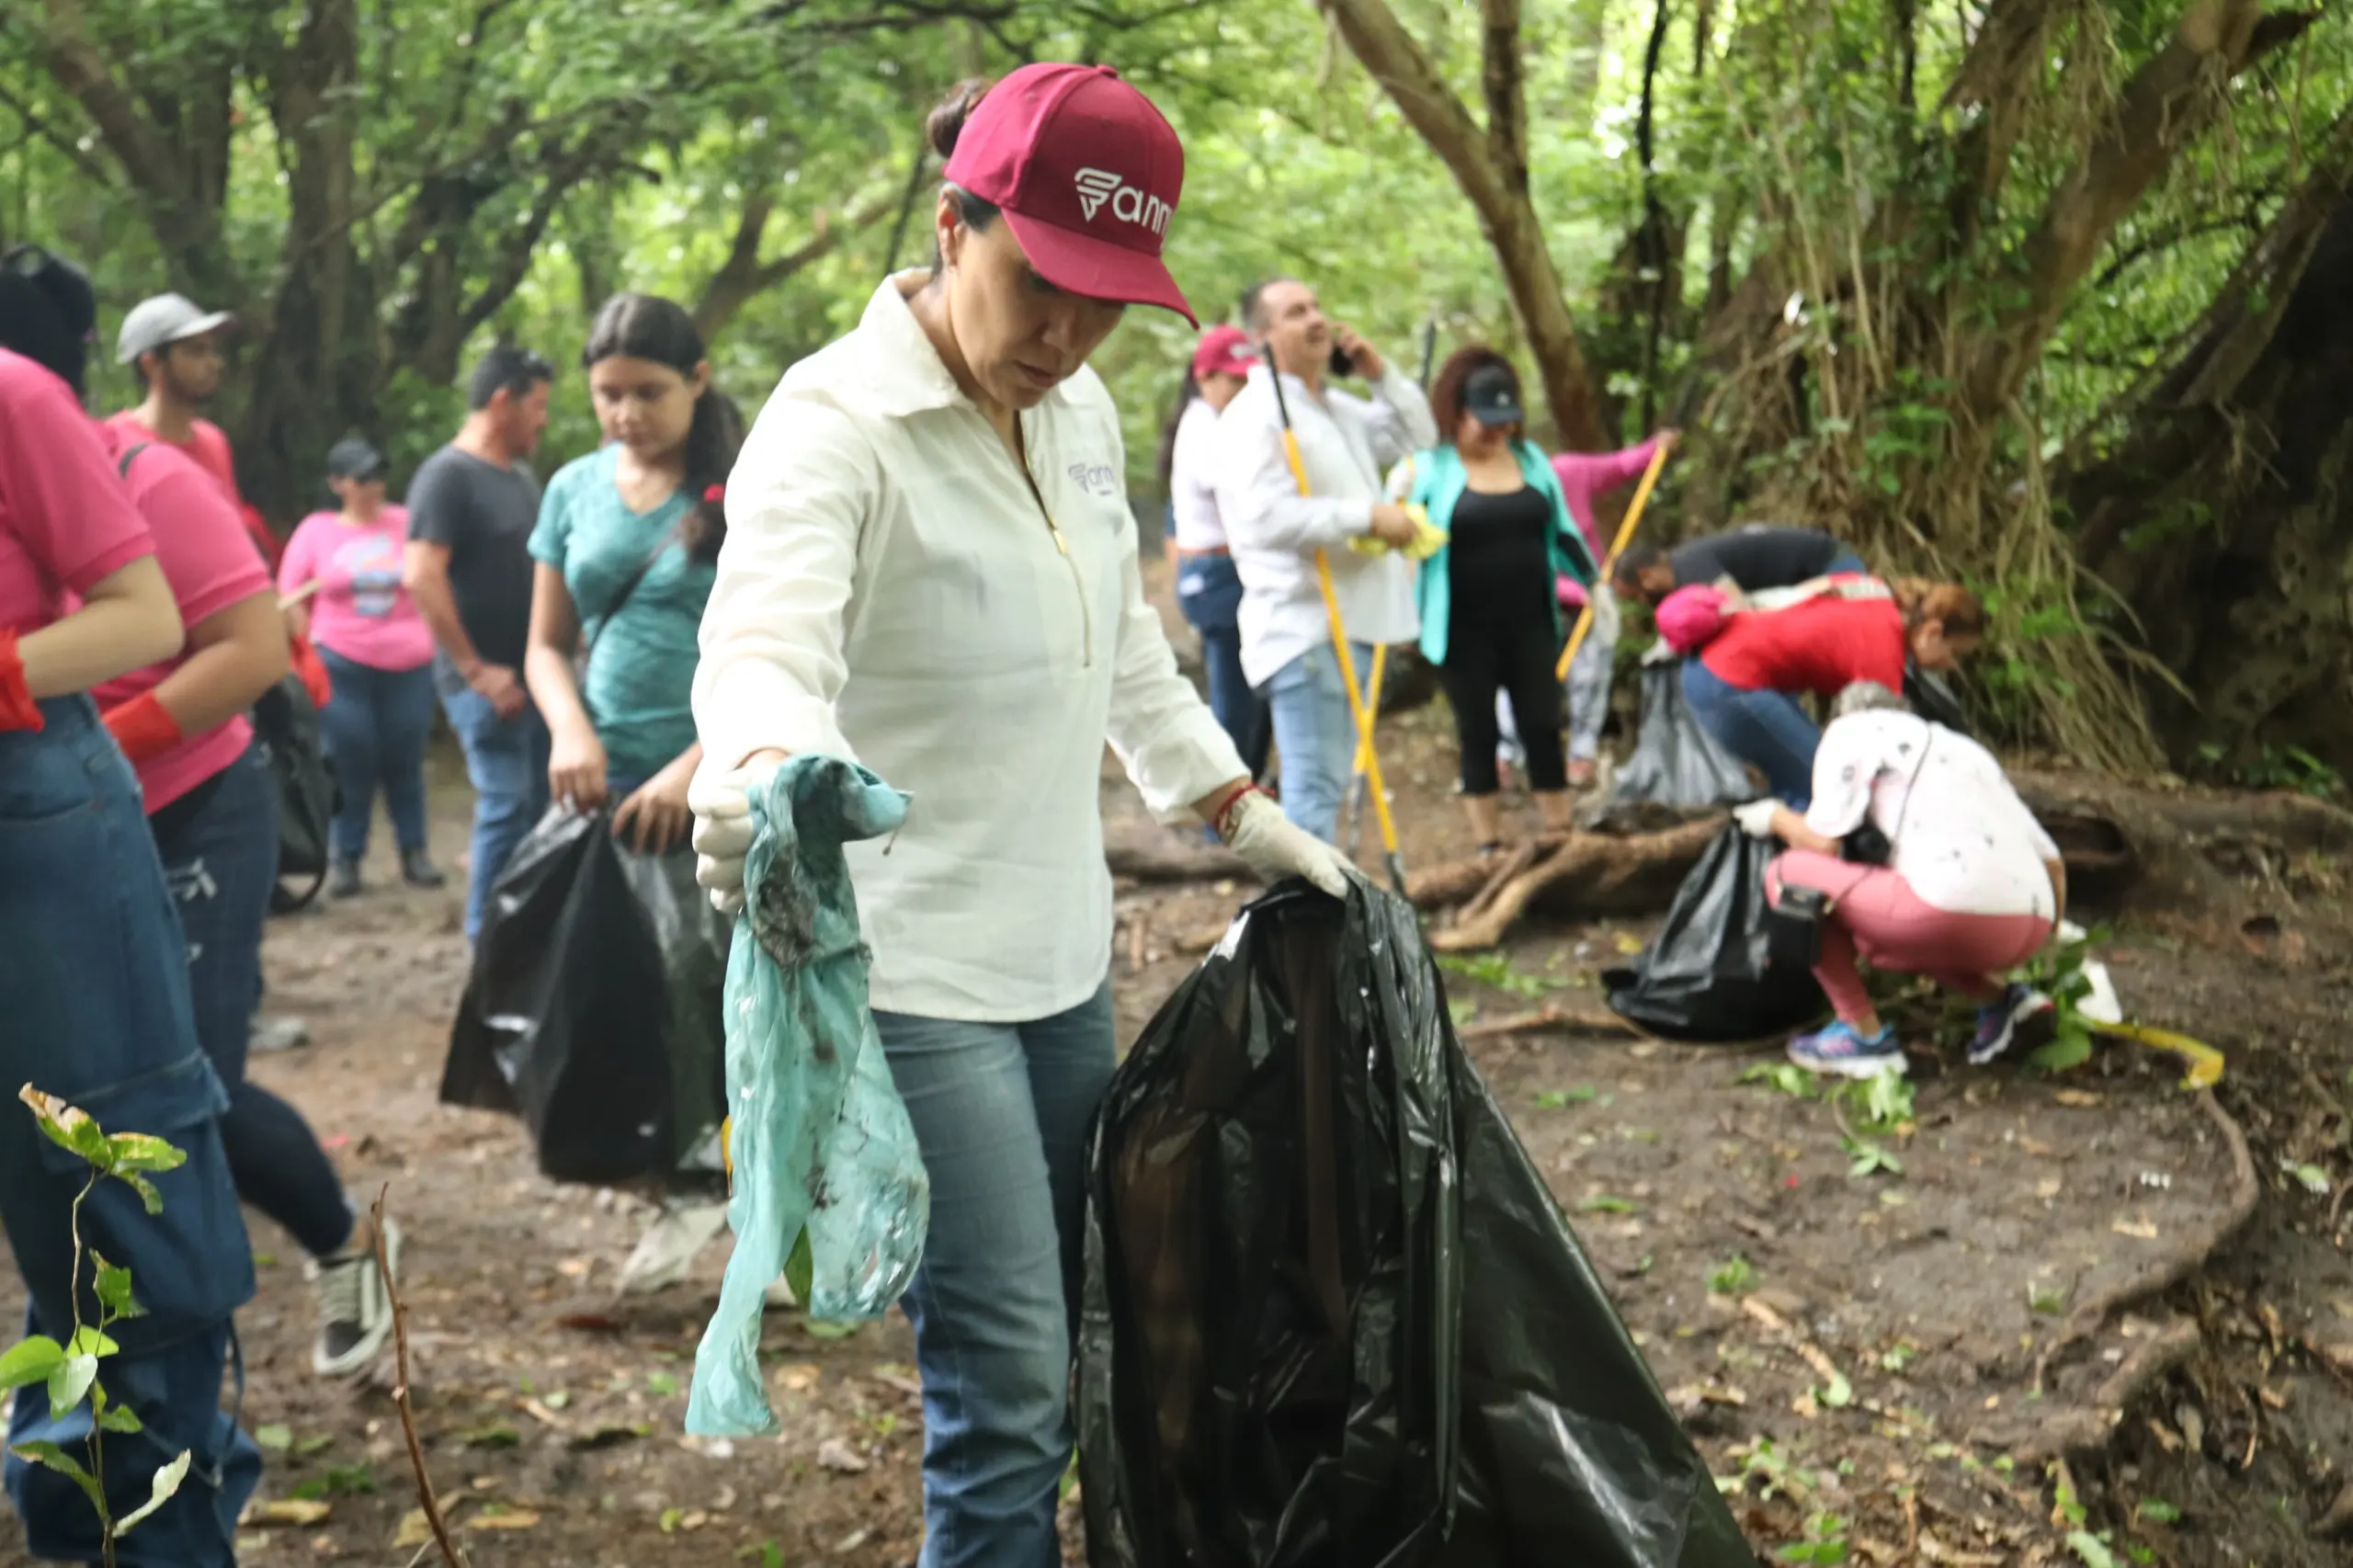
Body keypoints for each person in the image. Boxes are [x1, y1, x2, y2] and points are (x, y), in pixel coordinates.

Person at [688, 68, 1351, 1568]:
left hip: (1060, 963)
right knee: (1002, 1394)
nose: (1064, 334)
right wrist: (761, 773)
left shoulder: (1080, 412)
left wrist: (1237, 806)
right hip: (910, 973)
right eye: (1039, 284)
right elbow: (764, 651)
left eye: (1105, 303)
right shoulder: (836, 423)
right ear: (951, 226)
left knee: (1078, 1348)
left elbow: (1122, 646)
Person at [2, 262, 409, 1382]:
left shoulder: (151, 476)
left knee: (187, 1084)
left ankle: (345, 1248)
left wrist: (96, 755)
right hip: (74, 829)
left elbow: (248, 648)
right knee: (76, 1099)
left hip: (193, 803)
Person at [0, 244, 262, 1562]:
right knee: (41, 1220)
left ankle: (169, 1508)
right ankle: (75, 1517)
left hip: (38, 801)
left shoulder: (17, 397)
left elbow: (143, 613)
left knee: (118, 1189)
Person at [523, 293, 739, 1290]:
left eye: (647, 392)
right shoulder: (572, 487)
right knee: (623, 993)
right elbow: (545, 644)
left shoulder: (744, 489)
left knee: (729, 995)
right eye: (607, 394)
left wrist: (694, 766)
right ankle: (677, 1188)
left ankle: (758, 1209)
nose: (625, 414)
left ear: (696, 380)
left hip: (723, 783)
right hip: (599, 790)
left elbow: (783, 652)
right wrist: (569, 725)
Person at [1736, 682, 2063, 1077]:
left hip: (1949, 910)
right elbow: (2054, 865)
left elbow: (1823, 846)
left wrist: (1772, 816)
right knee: (1878, 943)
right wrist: (2048, 948)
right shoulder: (1963, 749)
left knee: (1788, 872)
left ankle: (1862, 1036)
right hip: (2029, 924)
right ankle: (2005, 1000)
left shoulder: (1850, 732)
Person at [1216, 276, 1434, 844]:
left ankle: (1322, 917)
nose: (1316, 319)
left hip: (1352, 622)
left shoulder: (1336, 407)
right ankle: (1307, 924)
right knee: (1313, 789)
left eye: (1316, 307)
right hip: (1304, 629)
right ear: (1261, 336)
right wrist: (1364, 516)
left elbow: (1417, 439)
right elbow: (1263, 518)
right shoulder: (1254, 415)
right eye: (1295, 313)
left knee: (1327, 785)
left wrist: (1378, 373)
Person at [1391, 348, 1596, 851]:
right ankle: (1489, 847)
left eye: (1507, 422)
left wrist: (1595, 586)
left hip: (1531, 622)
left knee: (1543, 727)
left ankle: (1559, 838)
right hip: (1461, 628)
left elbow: (1563, 532)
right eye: (1486, 422)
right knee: (1478, 733)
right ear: (1456, 413)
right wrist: (1395, 503)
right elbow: (1395, 542)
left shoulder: (1531, 461)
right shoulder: (1428, 470)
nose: (1498, 432)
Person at [404, 344, 554, 942]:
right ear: (501, 403)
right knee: (507, 803)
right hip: (485, 686)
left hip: (538, 676)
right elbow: (420, 573)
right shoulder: (448, 477)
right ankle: (485, 943)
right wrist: (474, 669)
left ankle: (533, 935)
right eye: (537, 406)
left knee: (544, 806)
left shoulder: (519, 477)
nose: (543, 418)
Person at [278, 437, 444, 896]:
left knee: (403, 756)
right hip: (343, 658)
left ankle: (415, 852)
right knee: (352, 756)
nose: (373, 486)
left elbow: (431, 578)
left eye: (377, 476)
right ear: (338, 483)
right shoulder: (317, 530)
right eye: (362, 478)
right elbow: (289, 593)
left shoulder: (405, 523)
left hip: (408, 659)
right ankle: (347, 857)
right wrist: (307, 647)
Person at [1676, 575, 1981, 810]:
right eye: (1954, 653)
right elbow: (1878, 753)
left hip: (1712, 659)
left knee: (1811, 767)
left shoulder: (1874, 589)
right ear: (1932, 633)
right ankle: (1798, 880)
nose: (1950, 665)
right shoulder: (1882, 655)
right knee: (1824, 790)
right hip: (1727, 684)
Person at [1157, 324, 1266, 778]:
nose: (1242, 390)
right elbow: (1241, 488)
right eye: (1234, 380)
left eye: (1248, 380)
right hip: (1216, 574)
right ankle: (1223, 816)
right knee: (1234, 703)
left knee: (1253, 700)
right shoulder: (1203, 428)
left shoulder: (1220, 424)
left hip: (1229, 571)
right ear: (1205, 377)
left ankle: (1246, 797)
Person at [109, 290, 282, 568]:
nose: (215, 363)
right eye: (196, 351)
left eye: (212, 350)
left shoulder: (214, 442)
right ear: (151, 363)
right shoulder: (112, 443)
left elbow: (229, 536)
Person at [1552, 426, 1677, 786]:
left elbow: (1619, 466)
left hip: (1592, 587)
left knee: (1591, 675)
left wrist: (1655, 448)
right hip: (1538, 593)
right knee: (1520, 676)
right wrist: (1572, 594)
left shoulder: (1569, 472)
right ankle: (1506, 755)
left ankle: (1581, 755)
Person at [1612, 523, 1865, 608]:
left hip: (1831, 565)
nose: (1645, 602)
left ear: (1646, 576)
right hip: (1808, 583)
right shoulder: (1686, 564)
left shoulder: (1690, 567)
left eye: (1639, 596)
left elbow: (1739, 609)